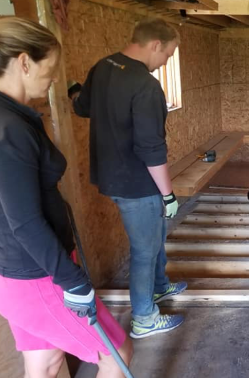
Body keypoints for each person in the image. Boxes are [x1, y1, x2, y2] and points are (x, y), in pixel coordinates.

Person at [0, 17, 133, 377]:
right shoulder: (9, 129)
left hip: (22, 272)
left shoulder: (14, 118)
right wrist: (71, 279)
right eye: (52, 68)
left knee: (44, 362)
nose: (56, 77)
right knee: (116, 352)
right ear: (24, 62)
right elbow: (25, 223)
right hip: (38, 275)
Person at [72, 18, 186, 339]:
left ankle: (160, 287)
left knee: (155, 236)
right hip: (138, 184)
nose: (166, 61)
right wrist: (168, 194)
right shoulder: (145, 85)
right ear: (155, 45)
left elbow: (82, 107)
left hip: (113, 176)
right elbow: (151, 148)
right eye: (168, 54)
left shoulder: (103, 66)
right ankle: (144, 318)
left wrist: (72, 89)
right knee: (144, 250)